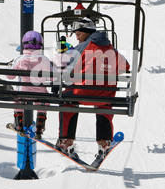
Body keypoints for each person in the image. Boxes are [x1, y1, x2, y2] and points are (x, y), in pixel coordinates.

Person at [55, 17, 130, 158]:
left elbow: (67, 70)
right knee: (105, 105)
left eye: (78, 35)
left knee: (67, 100)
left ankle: (66, 139)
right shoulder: (111, 49)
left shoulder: (82, 48)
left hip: (82, 93)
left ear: (86, 32)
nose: (77, 39)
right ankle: (104, 141)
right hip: (105, 96)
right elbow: (126, 66)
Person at [6, 31, 53, 139]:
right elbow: (52, 78)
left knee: (17, 97)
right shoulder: (44, 60)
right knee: (44, 102)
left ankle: (19, 123)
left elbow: (10, 76)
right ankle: (39, 127)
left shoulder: (20, 59)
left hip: (23, 93)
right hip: (40, 95)